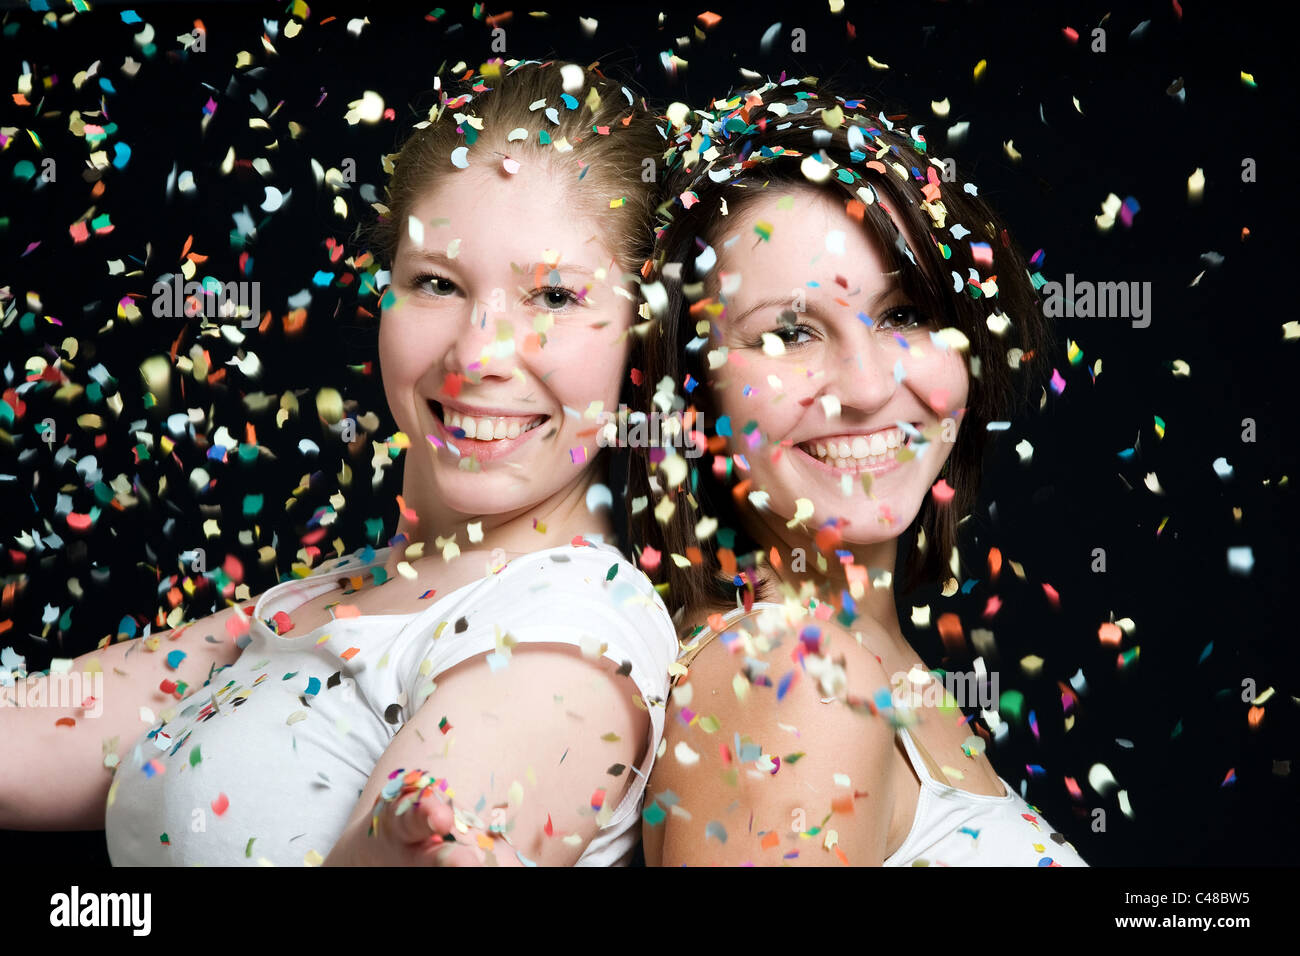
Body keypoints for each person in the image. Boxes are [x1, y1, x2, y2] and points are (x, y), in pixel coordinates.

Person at [0, 60, 678, 867]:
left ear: (642, 337)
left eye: (556, 297)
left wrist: (408, 848)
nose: (478, 353)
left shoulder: (570, 634)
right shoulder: (340, 594)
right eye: (437, 283)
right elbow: (24, 745)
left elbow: (453, 833)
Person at [631, 77, 1088, 866]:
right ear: (689, 386)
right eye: (789, 333)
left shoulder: (860, 655)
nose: (870, 387)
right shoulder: (800, 679)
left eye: (906, 314)